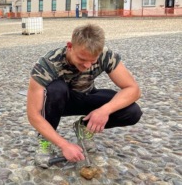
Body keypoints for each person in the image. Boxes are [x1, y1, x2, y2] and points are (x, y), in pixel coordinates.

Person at [26, 23, 142, 168]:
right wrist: (64, 144)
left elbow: (133, 89)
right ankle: (46, 141)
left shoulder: (106, 55)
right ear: (70, 46)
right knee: (56, 89)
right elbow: (33, 114)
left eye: (92, 61)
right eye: (82, 59)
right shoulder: (47, 65)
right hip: (60, 101)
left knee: (132, 111)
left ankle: (84, 127)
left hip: (87, 94)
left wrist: (104, 110)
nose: (87, 65)